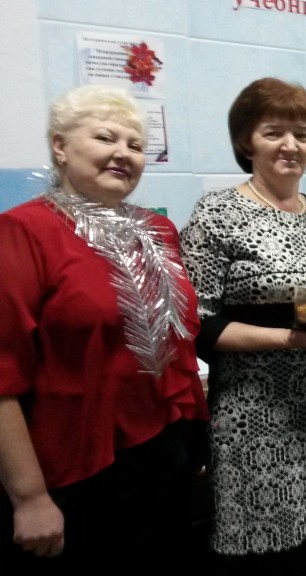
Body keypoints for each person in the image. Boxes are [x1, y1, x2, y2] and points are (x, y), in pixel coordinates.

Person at [0, 84, 209, 572]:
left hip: (162, 454)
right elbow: (3, 372)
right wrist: (29, 497)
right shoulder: (24, 231)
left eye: (135, 145)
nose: (123, 153)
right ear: (60, 146)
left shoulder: (157, 231)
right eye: (105, 137)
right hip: (72, 471)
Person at [179, 77, 306, 572]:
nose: (290, 145)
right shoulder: (217, 213)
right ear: (247, 141)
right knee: (264, 557)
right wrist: (286, 339)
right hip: (251, 417)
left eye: (301, 134)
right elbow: (197, 324)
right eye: (273, 132)